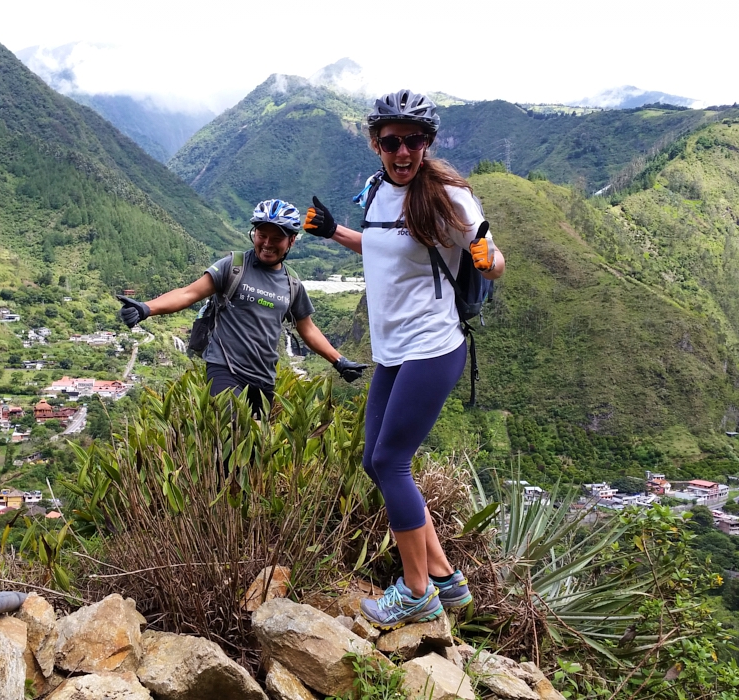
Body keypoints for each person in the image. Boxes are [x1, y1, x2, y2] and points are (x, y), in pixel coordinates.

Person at [302, 90, 506, 628]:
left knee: (391, 463)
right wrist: (332, 232)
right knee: (376, 461)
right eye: (392, 141)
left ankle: (416, 592)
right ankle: (444, 577)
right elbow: (381, 247)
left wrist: (489, 258)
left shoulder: (448, 196)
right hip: (392, 350)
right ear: (375, 144)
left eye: (413, 140)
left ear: (428, 143)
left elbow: (491, 260)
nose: (403, 151)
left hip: (433, 347)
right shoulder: (376, 192)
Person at [117, 199, 367, 416]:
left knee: (251, 453)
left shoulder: (292, 284)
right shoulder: (233, 266)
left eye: (277, 237)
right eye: (262, 235)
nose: (267, 243)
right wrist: (145, 308)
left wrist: (339, 361)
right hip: (224, 368)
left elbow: (307, 329)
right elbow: (188, 293)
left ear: (291, 241)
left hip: (263, 378)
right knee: (230, 437)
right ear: (254, 234)